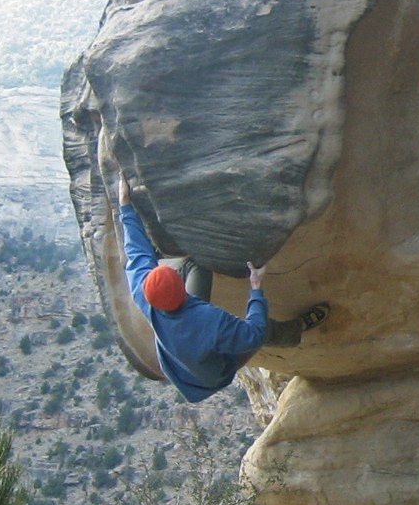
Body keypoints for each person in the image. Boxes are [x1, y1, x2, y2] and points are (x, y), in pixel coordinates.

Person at [117, 172, 328, 403]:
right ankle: (298, 328)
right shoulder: (207, 320)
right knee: (265, 329)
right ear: (182, 290)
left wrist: (125, 205)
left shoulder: (144, 295)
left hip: (177, 362)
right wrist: (255, 289)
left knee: (194, 264)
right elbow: (254, 334)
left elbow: (137, 253)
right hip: (213, 375)